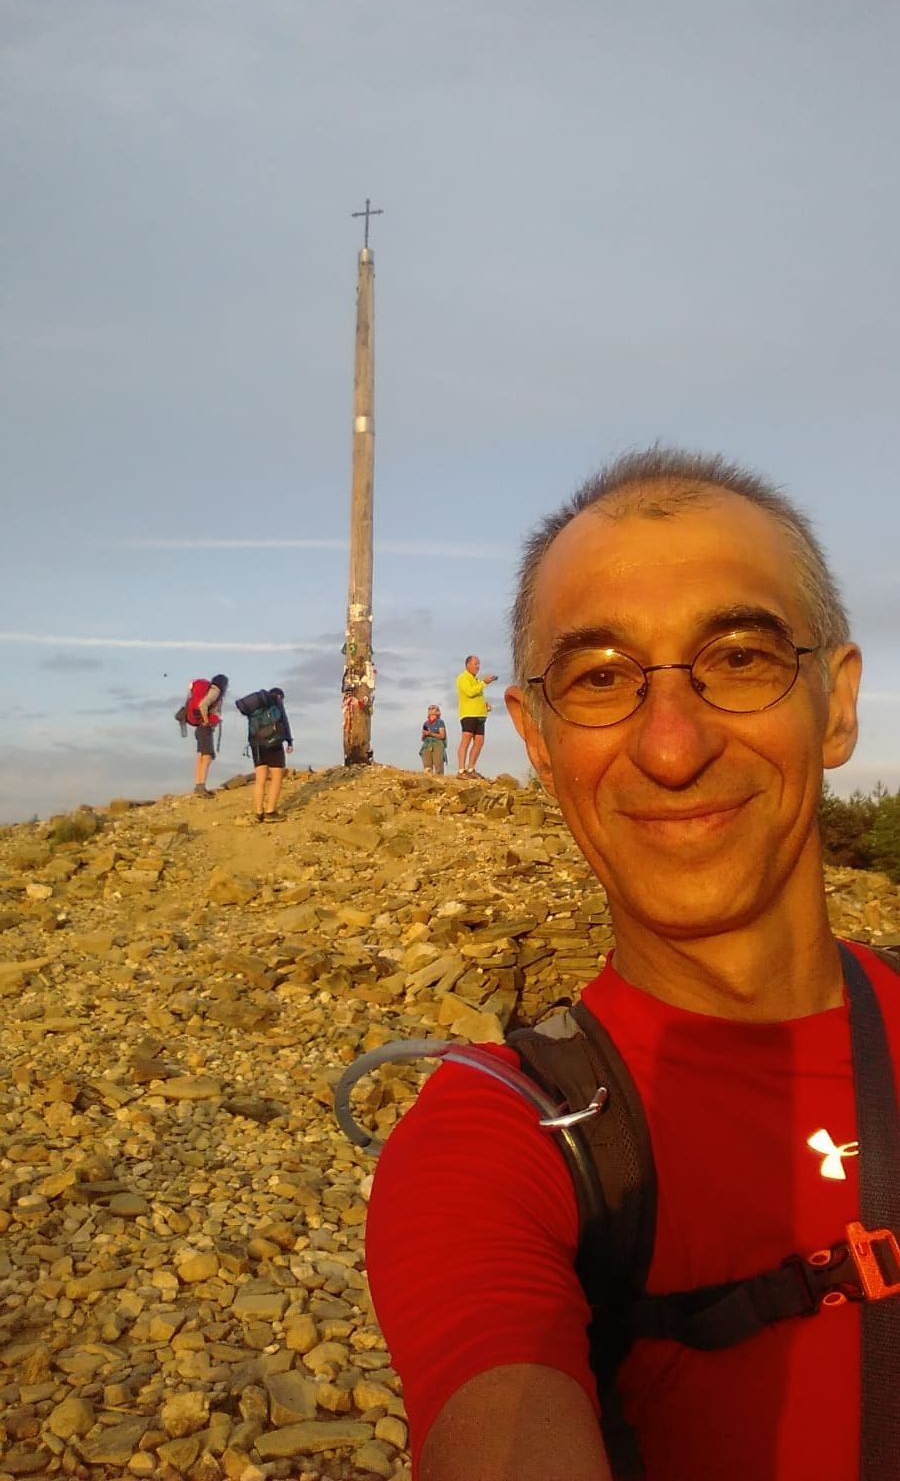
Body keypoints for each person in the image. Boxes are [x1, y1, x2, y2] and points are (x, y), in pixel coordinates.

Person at [366, 447, 900, 1481]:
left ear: (837, 705)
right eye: (600, 678)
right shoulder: (499, 1146)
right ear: (536, 737)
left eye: (739, 657)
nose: (671, 747)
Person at [249, 687, 293, 822]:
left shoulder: (256, 706)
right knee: (276, 777)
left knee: (260, 780)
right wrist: (289, 741)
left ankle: (258, 812)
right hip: (274, 744)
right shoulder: (277, 702)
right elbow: (284, 722)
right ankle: (270, 811)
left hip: (256, 745)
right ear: (280, 696)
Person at [455, 654, 498, 777]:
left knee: (479, 741)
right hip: (469, 714)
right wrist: (484, 682)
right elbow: (470, 692)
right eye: (475, 664)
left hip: (480, 715)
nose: (478, 666)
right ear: (468, 664)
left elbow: (478, 695)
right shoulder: (463, 678)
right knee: (466, 739)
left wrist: (485, 705)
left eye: (479, 664)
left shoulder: (476, 680)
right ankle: (461, 770)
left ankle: (471, 769)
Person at [189, 673, 228, 797]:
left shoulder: (210, 689)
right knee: (207, 757)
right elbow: (203, 704)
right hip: (205, 728)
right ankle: (201, 786)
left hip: (200, 728)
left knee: (200, 757)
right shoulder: (215, 691)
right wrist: (207, 720)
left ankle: (198, 785)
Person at [419, 704, 448, 775]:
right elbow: (422, 738)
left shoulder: (440, 722)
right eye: (429, 708)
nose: (431, 710)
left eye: (433, 708)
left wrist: (431, 733)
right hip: (427, 744)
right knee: (427, 766)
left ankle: (439, 779)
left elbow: (442, 736)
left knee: (438, 765)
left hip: (437, 744)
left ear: (437, 711)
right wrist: (424, 734)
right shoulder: (426, 723)